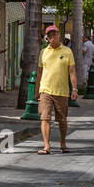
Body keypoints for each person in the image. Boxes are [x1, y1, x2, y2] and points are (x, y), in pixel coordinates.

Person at [35, 25, 78, 154]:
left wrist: (74, 89)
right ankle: (46, 146)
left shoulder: (67, 51)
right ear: (47, 38)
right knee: (45, 118)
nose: (52, 37)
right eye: (49, 35)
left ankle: (63, 143)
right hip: (46, 90)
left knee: (62, 119)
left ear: (59, 34)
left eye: (54, 34)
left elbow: (72, 72)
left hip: (62, 91)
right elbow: (39, 73)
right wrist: (36, 91)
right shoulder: (43, 52)